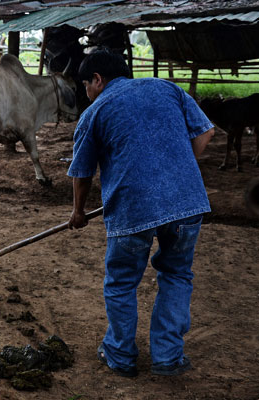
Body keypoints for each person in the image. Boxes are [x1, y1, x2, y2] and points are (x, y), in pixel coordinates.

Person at [66, 49, 215, 377]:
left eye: (85, 85)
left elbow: (82, 172)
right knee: (176, 274)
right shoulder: (168, 89)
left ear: (98, 80)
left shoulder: (95, 112)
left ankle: (119, 355)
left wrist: (78, 212)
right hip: (186, 203)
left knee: (121, 282)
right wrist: (178, 170)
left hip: (132, 209)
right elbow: (206, 132)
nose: (85, 92)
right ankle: (168, 358)